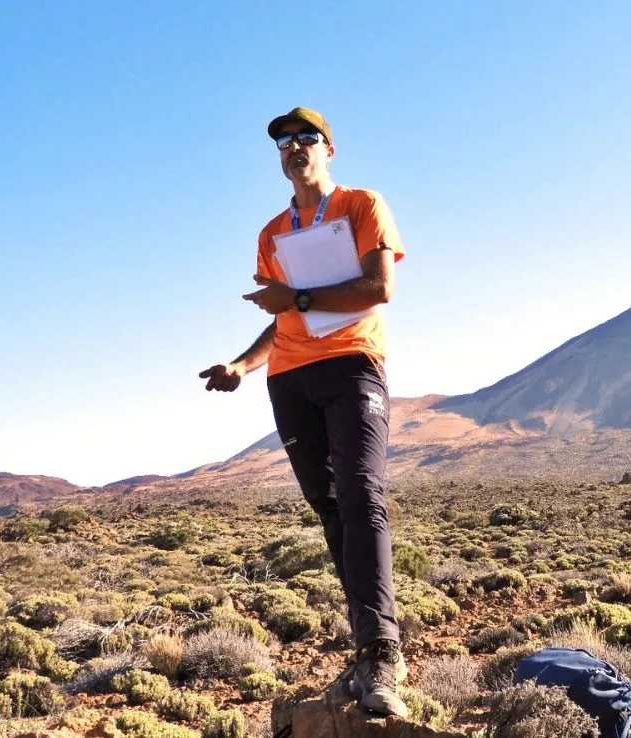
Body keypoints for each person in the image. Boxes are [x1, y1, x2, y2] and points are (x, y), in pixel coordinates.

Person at [199, 107, 408, 717]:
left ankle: (381, 653)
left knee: (364, 493)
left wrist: (299, 296)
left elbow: (379, 287)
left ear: (329, 147)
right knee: (331, 507)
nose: (294, 148)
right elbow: (282, 317)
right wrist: (242, 365)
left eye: (305, 138)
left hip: (352, 364)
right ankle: (366, 639)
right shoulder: (272, 234)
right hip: (290, 376)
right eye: (284, 143)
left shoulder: (362, 205)